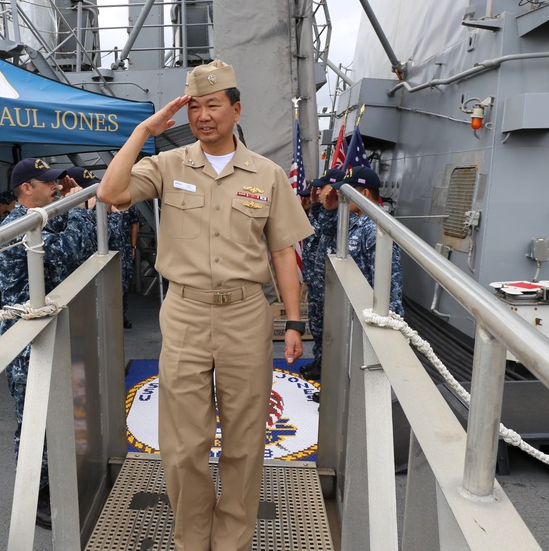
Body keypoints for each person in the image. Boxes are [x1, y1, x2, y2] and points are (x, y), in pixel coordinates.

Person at [98, 59, 313, 551]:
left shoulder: (268, 174)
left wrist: (295, 321)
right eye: (194, 107)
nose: (203, 115)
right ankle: (192, 539)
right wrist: (145, 131)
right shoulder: (168, 166)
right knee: (183, 444)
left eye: (213, 105)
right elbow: (111, 192)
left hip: (245, 313)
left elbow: (283, 251)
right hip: (186, 312)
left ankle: (232, 540)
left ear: (236, 110)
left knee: (243, 440)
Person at [0, 157, 96, 528]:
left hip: (43, 333)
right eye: (48, 183)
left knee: (55, 414)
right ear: (27, 188)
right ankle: (34, 498)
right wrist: (81, 208)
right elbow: (73, 251)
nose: (56, 187)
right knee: (32, 421)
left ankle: (52, 486)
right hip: (26, 342)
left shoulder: (39, 219)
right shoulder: (20, 225)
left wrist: (68, 204)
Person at [332, 166, 404, 316]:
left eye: (348, 192)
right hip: (357, 309)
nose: (342, 196)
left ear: (364, 193)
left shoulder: (375, 229)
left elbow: (389, 287)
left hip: (369, 314)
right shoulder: (358, 222)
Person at [299, 167, 345, 383]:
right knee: (319, 330)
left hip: (331, 291)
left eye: (322, 187)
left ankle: (330, 376)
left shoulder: (342, 220)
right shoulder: (324, 215)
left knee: (332, 338)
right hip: (317, 285)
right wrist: (317, 205)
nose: (316, 191)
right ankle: (321, 364)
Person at [107, 204, 141, 328]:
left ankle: (121, 315)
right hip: (107, 250)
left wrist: (133, 247)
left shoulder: (130, 204)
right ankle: (110, 316)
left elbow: (134, 225)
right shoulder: (99, 203)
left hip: (124, 248)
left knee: (125, 282)